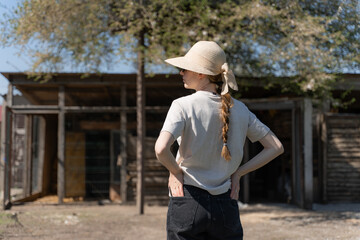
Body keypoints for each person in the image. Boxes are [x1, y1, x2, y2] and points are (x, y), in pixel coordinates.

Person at [155, 41, 284, 240]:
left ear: (201, 73)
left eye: (184, 68)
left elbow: (161, 148)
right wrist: (238, 173)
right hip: (226, 203)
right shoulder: (240, 109)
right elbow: (276, 147)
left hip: (187, 199)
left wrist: (175, 171)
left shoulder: (182, 105)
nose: (181, 73)